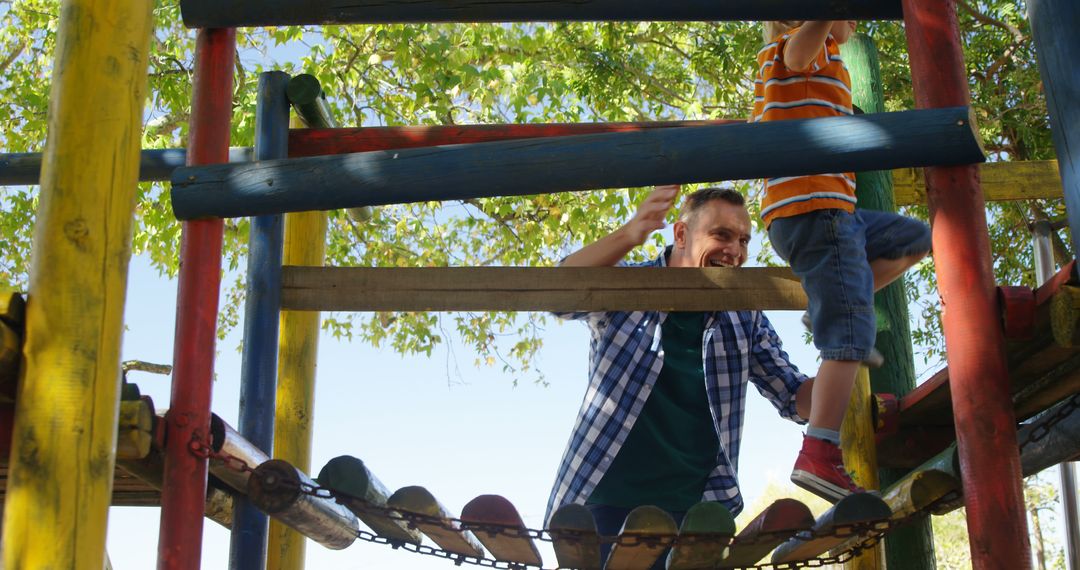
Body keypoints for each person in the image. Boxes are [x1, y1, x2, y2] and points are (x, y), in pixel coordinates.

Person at [544, 185, 813, 568]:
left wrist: (842, 356)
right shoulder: (628, 288)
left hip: (694, 513)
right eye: (721, 235)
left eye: (743, 240)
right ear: (682, 235)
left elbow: (793, 396)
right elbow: (558, 296)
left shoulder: (744, 314)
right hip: (603, 502)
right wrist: (632, 231)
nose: (734, 251)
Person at [753, 20, 931, 502]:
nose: (853, 19)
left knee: (912, 237)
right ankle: (819, 451)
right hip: (814, 209)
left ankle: (834, 306)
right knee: (850, 338)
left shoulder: (822, 52)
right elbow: (794, 55)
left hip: (836, 212)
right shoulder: (797, 48)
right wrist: (823, 15)